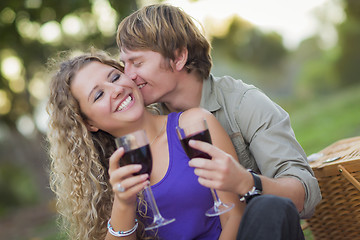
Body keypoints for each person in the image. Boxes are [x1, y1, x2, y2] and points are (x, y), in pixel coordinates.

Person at [116, 3, 321, 239]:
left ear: (178, 57)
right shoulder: (147, 124)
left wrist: (246, 182)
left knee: (269, 206)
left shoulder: (244, 104)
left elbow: (307, 195)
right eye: (124, 64)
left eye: (137, 63)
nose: (128, 75)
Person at [46, 50, 243, 240]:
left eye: (115, 78)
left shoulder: (192, 126)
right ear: (89, 124)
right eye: (98, 95)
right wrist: (123, 203)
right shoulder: (103, 177)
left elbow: (235, 215)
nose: (116, 90)